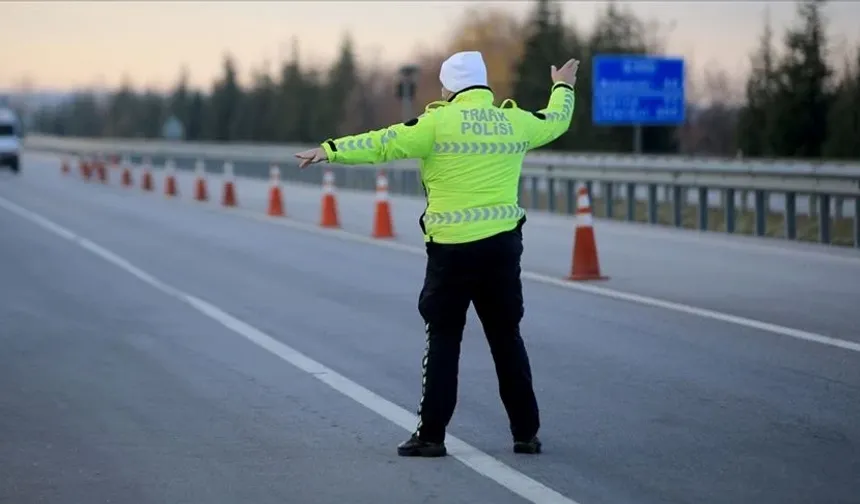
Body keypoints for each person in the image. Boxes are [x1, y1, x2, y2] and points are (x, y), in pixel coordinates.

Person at [295, 51, 579, 457]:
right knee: (506, 338)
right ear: (482, 84)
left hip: (452, 252)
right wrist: (562, 87)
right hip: (502, 247)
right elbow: (556, 121)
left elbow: (383, 142)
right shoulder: (513, 121)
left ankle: (431, 436)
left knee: (445, 339)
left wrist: (330, 150)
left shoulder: (436, 122)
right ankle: (525, 433)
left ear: (450, 87)